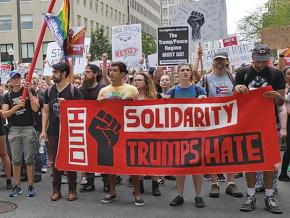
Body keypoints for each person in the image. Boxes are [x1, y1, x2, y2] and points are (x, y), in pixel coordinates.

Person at [234, 44, 285, 214]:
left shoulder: (276, 73)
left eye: (264, 61)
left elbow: (281, 101)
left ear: (268, 59)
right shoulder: (243, 73)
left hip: (270, 123)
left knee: (269, 160)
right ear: (252, 58)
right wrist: (237, 89)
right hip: (248, 123)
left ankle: (269, 196)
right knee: (251, 160)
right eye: (258, 61)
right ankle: (250, 194)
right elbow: (235, 100)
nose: (261, 64)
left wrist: (277, 96)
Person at [97, 61, 143, 206]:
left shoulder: (132, 90)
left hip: (128, 132)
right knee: (111, 165)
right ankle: (112, 192)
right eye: (110, 70)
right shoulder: (103, 91)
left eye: (115, 70)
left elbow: (138, 111)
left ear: (123, 74)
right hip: (110, 132)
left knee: (132, 164)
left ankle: (137, 193)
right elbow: (97, 112)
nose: (111, 72)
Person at [199, 52, 243, 199]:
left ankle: (231, 183)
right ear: (213, 62)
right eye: (217, 60)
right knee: (212, 151)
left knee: (231, 151)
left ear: (227, 62)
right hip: (211, 120)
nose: (219, 63)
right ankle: (214, 183)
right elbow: (197, 96)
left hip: (230, 119)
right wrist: (201, 97)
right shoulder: (205, 78)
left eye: (222, 61)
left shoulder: (233, 78)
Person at [40, 62, 83, 201]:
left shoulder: (73, 90)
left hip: (70, 131)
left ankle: (72, 190)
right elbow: (45, 111)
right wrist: (43, 130)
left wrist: (67, 104)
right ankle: (56, 190)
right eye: (53, 72)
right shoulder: (49, 90)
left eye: (55, 72)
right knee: (54, 161)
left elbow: (81, 110)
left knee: (69, 160)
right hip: (53, 131)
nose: (52, 75)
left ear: (64, 74)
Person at [167, 63, 206, 208]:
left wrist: (203, 99)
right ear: (178, 73)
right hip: (178, 135)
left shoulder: (198, 89)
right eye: (182, 70)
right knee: (180, 166)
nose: (185, 72)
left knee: (196, 166)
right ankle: (180, 195)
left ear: (191, 73)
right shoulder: (172, 91)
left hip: (196, 133)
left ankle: (198, 195)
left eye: (187, 70)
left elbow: (208, 110)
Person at [2, 70, 40, 197]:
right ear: (10, 81)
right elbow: (4, 114)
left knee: (29, 159)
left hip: (29, 128)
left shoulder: (29, 91)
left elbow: (36, 108)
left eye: (18, 77)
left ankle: (30, 186)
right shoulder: (7, 96)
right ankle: (17, 186)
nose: (17, 80)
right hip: (14, 129)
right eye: (14, 78)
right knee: (16, 160)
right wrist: (17, 107)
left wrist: (29, 91)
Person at [133, 72, 161, 197]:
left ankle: (155, 185)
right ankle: (140, 185)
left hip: (152, 132)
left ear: (146, 82)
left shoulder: (155, 96)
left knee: (153, 159)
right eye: (135, 80)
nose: (137, 82)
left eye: (139, 80)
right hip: (136, 132)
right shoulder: (130, 96)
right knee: (138, 160)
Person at [79, 64, 105, 193]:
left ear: (95, 74)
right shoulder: (82, 88)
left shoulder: (103, 88)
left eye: (88, 72)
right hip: (86, 126)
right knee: (88, 154)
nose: (86, 73)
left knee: (103, 154)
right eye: (85, 71)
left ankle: (107, 182)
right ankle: (89, 182)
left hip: (101, 126)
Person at [278, 66, 290, 182]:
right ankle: (283, 173)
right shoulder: (283, 89)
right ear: (285, 76)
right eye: (288, 74)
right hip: (287, 120)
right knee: (289, 148)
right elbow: (282, 104)